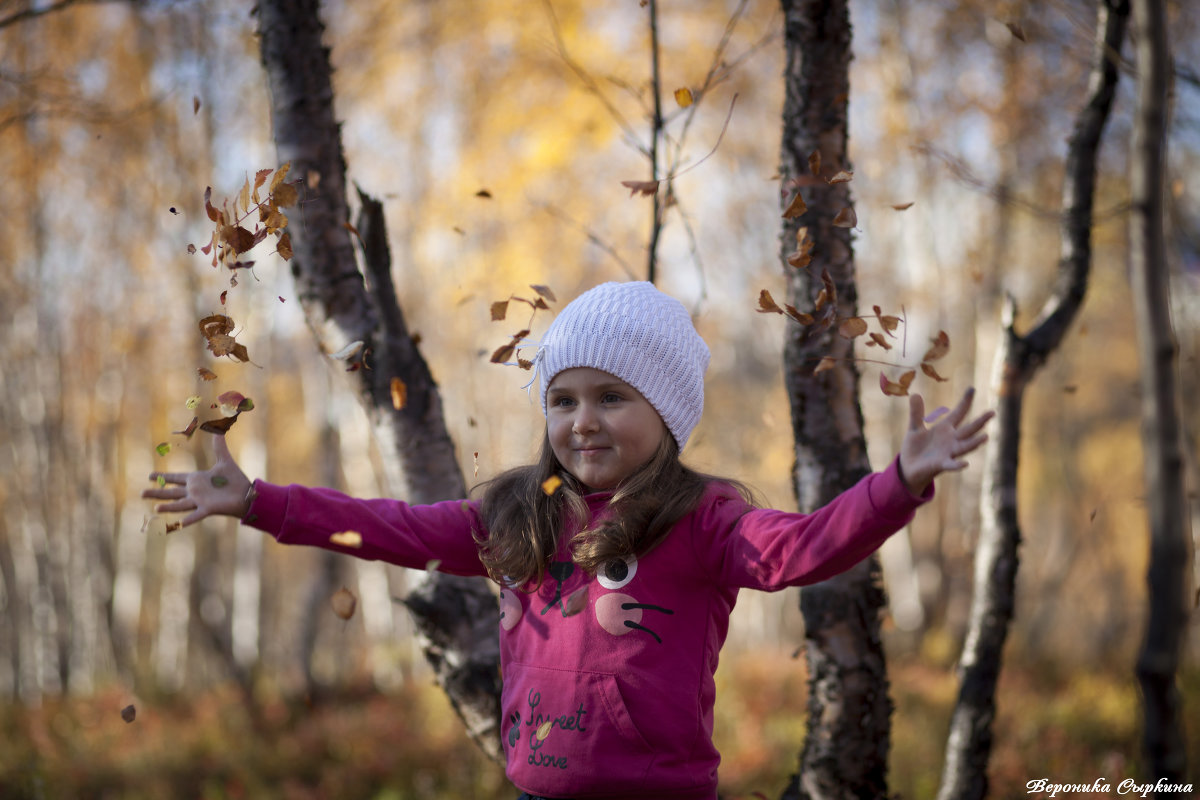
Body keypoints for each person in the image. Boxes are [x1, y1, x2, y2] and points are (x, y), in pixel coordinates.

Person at [143, 281, 992, 800]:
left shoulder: (703, 519)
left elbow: (804, 548)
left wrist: (898, 485)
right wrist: (258, 502)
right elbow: (389, 530)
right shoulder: (518, 513)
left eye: (611, 398)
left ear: (665, 412)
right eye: (564, 399)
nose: (582, 421)